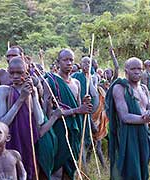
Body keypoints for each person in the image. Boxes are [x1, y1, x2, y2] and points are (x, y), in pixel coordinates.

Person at [0, 56, 62, 179]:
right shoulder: (3, 91)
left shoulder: (32, 90)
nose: (15, 76)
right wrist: (21, 99)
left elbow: (40, 120)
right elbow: (2, 123)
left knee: (30, 172)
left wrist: (33, 95)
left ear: (26, 73)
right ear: (8, 72)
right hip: (10, 141)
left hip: (30, 140)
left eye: (19, 72)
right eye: (12, 73)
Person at [105, 57, 150, 180]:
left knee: (142, 171)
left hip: (143, 136)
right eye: (133, 68)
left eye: (139, 68)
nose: (137, 71)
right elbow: (125, 117)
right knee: (128, 173)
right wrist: (148, 118)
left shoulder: (144, 89)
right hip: (126, 137)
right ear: (126, 70)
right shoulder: (120, 87)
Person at [44, 49, 93, 179]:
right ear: (58, 62)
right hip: (58, 130)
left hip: (73, 130)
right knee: (57, 169)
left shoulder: (76, 83)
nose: (69, 63)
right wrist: (77, 110)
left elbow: (78, 108)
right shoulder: (51, 82)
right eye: (65, 60)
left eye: (71, 60)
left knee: (70, 168)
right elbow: (49, 113)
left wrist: (84, 104)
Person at [72, 56, 100, 171]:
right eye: (84, 62)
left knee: (90, 138)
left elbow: (95, 94)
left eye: (89, 63)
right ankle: (82, 165)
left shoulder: (92, 78)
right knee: (82, 139)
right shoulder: (76, 77)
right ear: (80, 64)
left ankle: (85, 162)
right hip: (80, 112)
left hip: (89, 113)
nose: (87, 65)